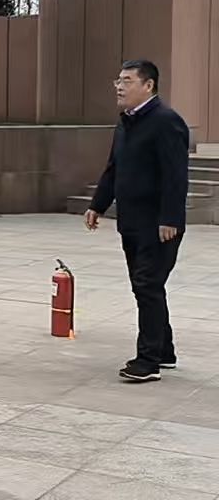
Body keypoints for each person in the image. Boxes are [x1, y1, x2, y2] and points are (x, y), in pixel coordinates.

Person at [86, 59, 190, 384]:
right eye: (118, 80)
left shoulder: (166, 121)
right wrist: (98, 205)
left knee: (147, 285)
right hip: (131, 221)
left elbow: (176, 175)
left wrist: (170, 217)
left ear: (148, 85)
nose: (119, 86)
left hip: (159, 224)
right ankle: (164, 350)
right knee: (145, 286)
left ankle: (148, 361)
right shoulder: (126, 122)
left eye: (127, 80)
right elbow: (113, 168)